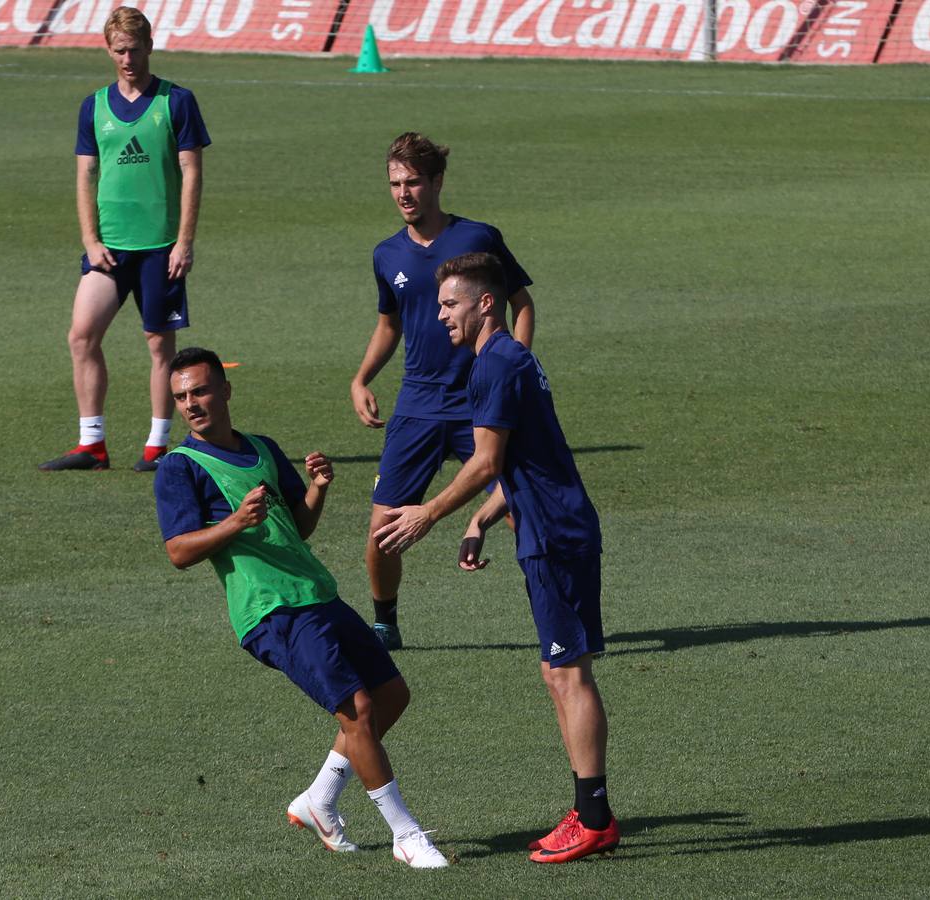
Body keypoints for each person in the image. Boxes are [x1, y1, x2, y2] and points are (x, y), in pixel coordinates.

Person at [154, 346, 448, 869]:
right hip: (271, 611)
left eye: (199, 390)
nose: (191, 404)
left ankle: (319, 801)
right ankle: (406, 835)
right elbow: (178, 552)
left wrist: (317, 489)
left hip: (317, 593)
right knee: (356, 709)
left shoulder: (262, 447)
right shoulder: (180, 468)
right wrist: (233, 524)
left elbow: (299, 525)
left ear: (225, 389)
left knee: (390, 696)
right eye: (180, 397)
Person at [373, 253, 618, 864]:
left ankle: (595, 819)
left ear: (486, 303)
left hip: (555, 534)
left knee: (569, 672)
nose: (440, 317)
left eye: (450, 305)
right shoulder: (509, 360)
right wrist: (482, 519)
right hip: (549, 526)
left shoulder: (495, 366)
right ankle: (586, 808)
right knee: (556, 671)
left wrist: (428, 513)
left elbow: (485, 462)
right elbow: (523, 460)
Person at [351, 132, 536, 649]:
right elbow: (391, 323)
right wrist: (362, 377)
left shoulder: (478, 237)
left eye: (413, 182)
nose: (403, 192)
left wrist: (515, 366)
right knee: (383, 525)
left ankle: (549, 609)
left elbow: (521, 303)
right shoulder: (386, 254)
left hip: (480, 397)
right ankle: (385, 622)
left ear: (436, 182)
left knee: (524, 503)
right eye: (395, 183)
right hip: (418, 402)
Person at [40, 6, 210, 474]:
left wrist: (184, 241)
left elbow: (192, 173)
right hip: (109, 249)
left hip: (160, 246)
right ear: (108, 51)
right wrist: (90, 239)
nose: (128, 59)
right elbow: (85, 175)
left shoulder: (176, 101)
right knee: (81, 335)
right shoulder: (93, 106)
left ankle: (158, 445)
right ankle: (92, 444)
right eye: (119, 51)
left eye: (135, 49)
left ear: (150, 47)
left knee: (159, 345)